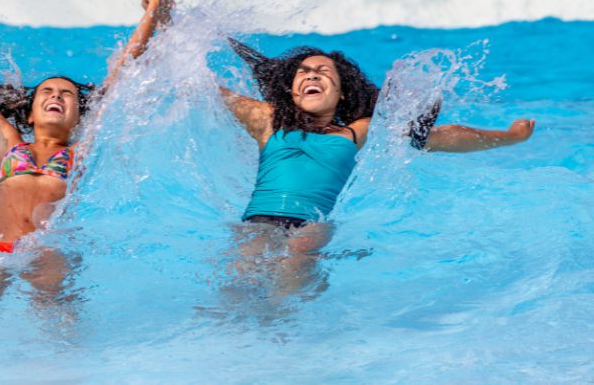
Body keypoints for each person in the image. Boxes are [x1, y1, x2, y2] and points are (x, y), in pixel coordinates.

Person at [0, 0, 173, 342]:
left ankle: (64, 367)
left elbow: (124, 73)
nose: (57, 96)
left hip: (47, 248)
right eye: (47, 91)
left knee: (59, 320)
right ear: (29, 114)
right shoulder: (8, 144)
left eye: (68, 95)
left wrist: (152, 13)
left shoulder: (79, 150)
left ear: (80, 117)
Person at [219, 40, 535, 295]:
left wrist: (510, 136)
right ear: (292, 89)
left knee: (298, 253)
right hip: (259, 222)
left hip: (310, 224)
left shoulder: (358, 131)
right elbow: (203, 86)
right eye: (303, 72)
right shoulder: (269, 121)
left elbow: (439, 138)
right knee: (240, 274)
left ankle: (283, 322)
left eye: (323, 71)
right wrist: (167, 24)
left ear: (341, 92)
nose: (312, 75)